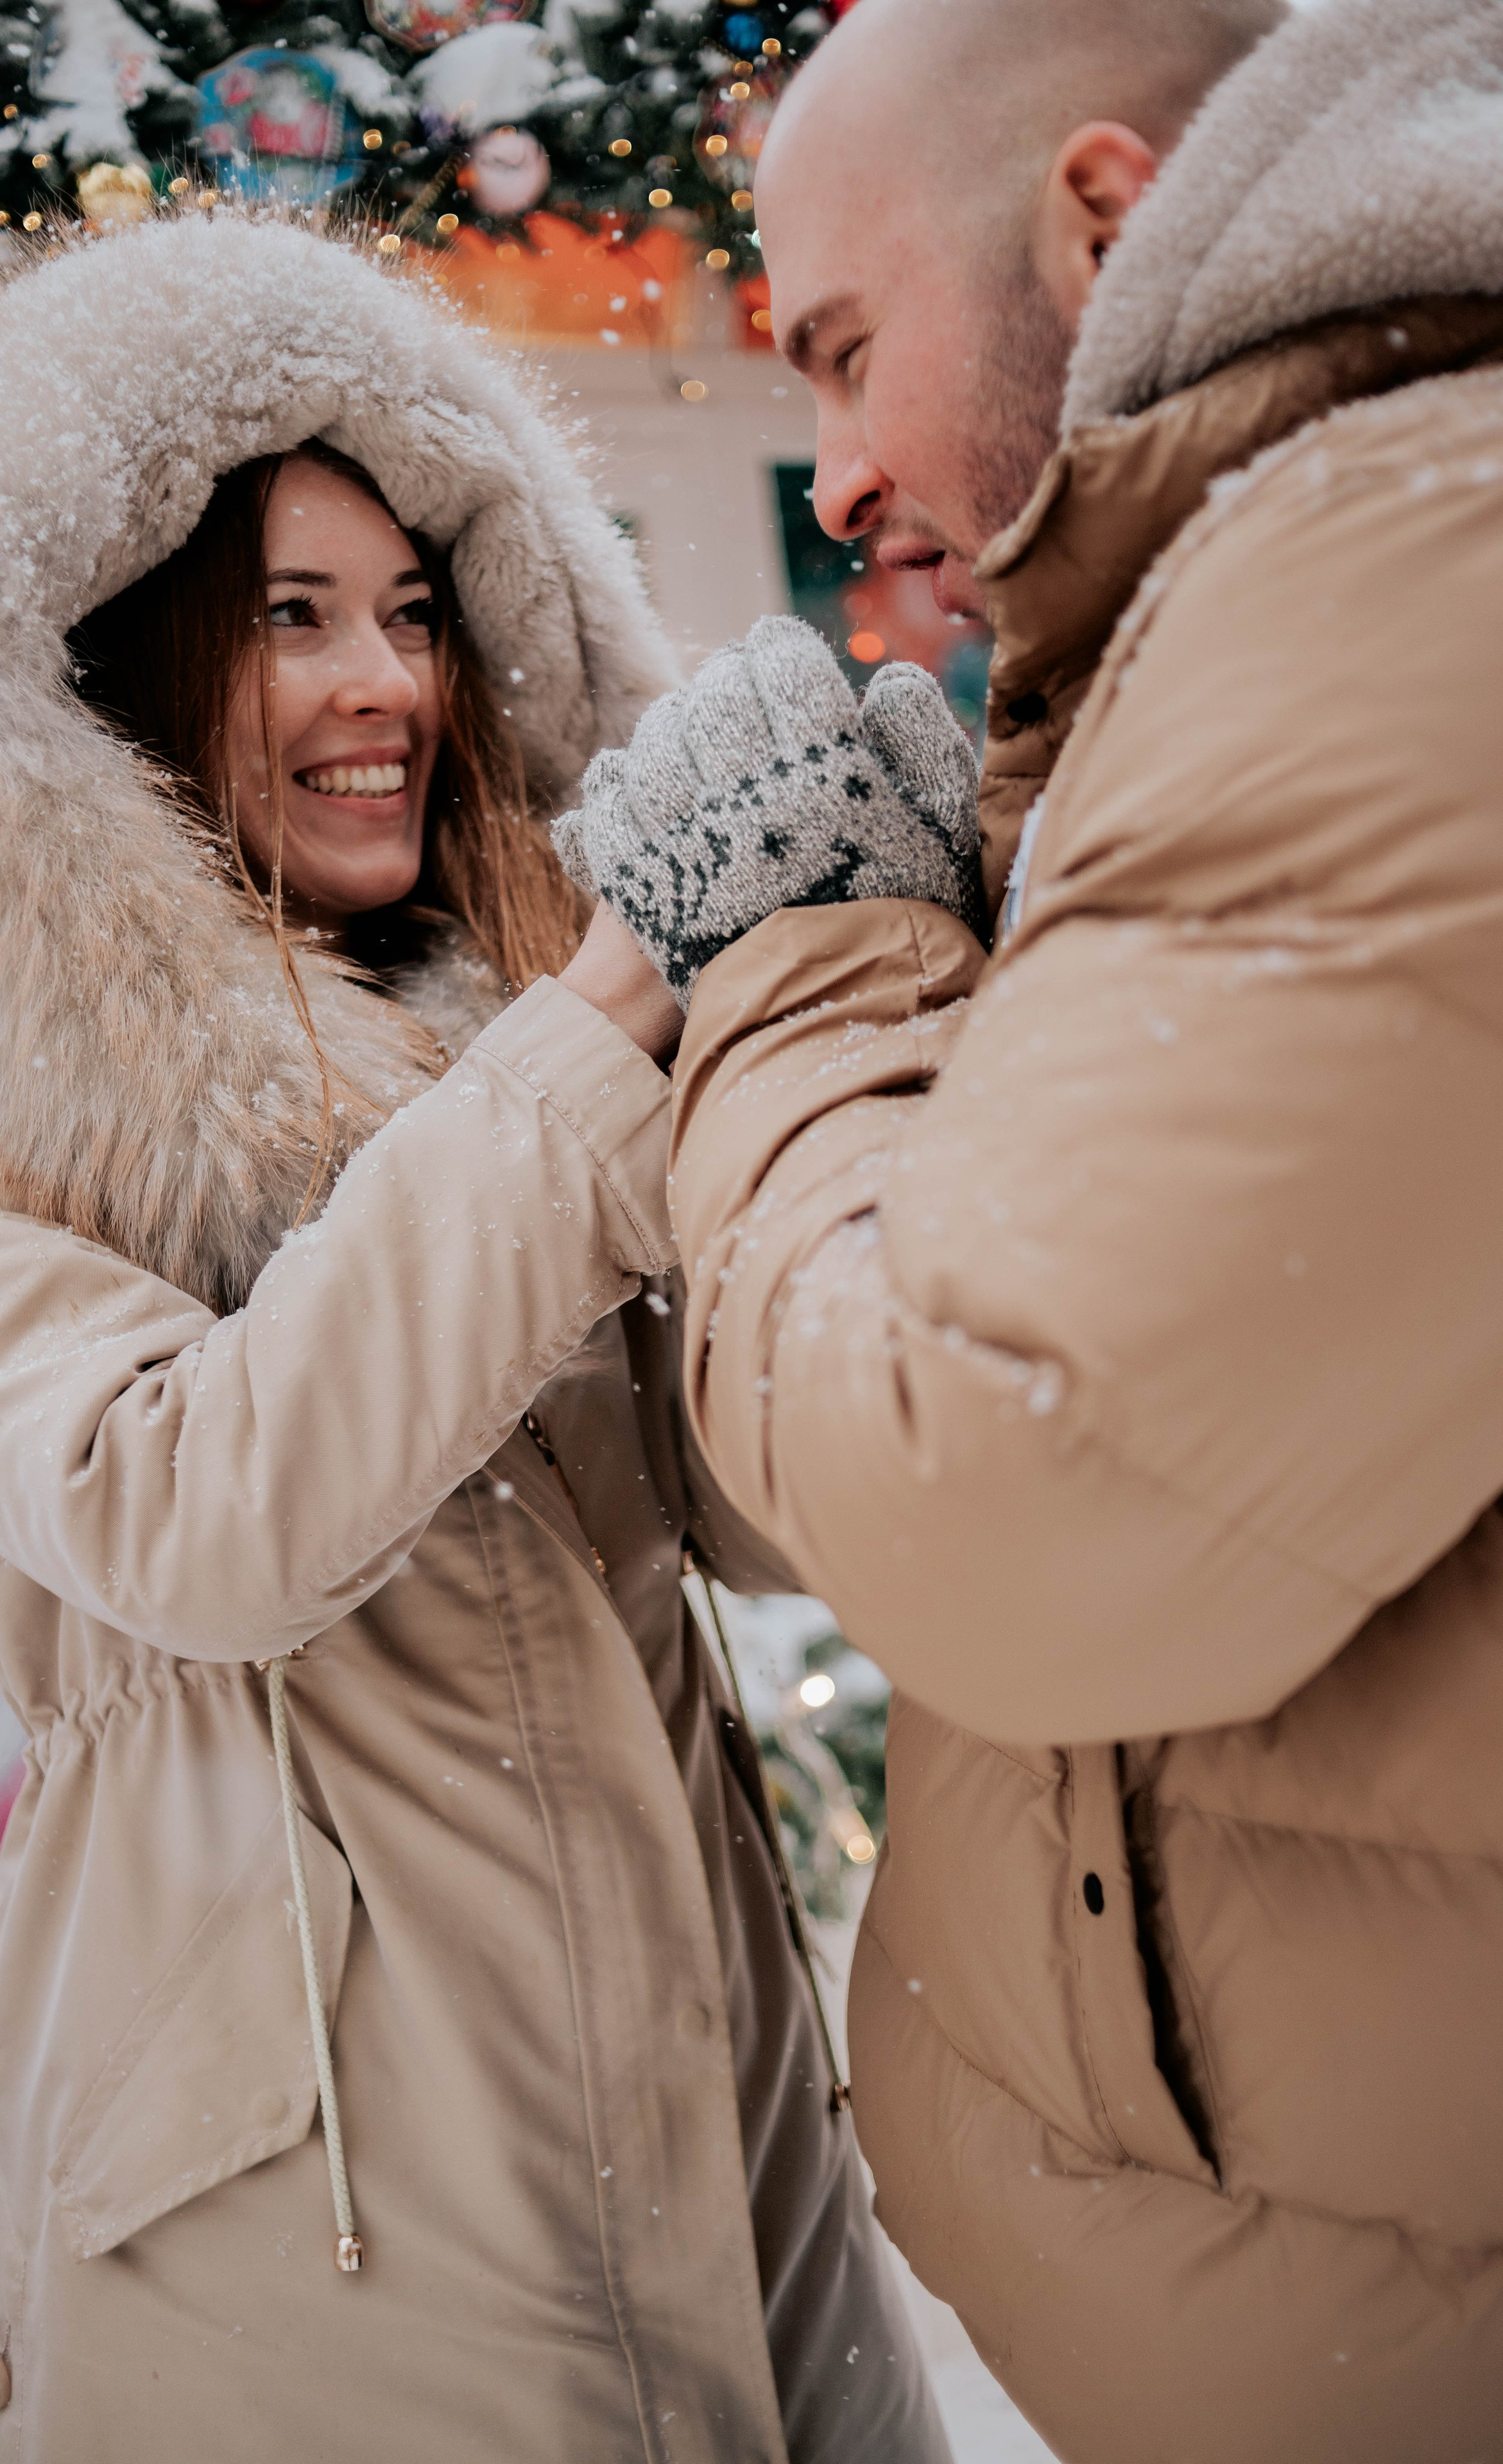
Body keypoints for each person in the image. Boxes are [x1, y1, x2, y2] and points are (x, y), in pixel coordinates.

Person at [0, 210, 951, 2464]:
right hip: (304, 2232)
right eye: (289, 618)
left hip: (720, 2096)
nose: (390, 686)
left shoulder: (521, 1019)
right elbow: (197, 1507)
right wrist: (631, 996)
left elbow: (756, 1518)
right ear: (99, 659)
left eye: (419, 611)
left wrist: (844, 1022)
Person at [553, 0, 1503, 2456]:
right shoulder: (1192, 639)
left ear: (1101, 217)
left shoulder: (1413, 560)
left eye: (848, 350)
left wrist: (795, 962)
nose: (839, 467)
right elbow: (804, 1494)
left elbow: (993, 1493)